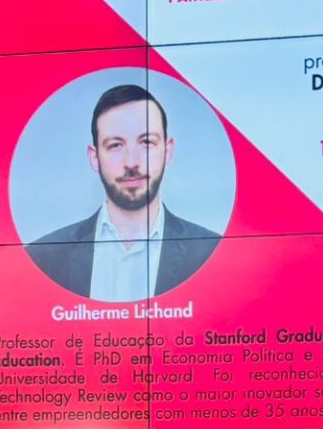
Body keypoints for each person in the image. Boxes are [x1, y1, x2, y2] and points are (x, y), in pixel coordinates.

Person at [24, 84, 219, 301]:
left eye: (146, 142)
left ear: (167, 150)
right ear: (94, 157)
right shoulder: (44, 257)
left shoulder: (213, 253)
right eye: (116, 145)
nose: (132, 163)